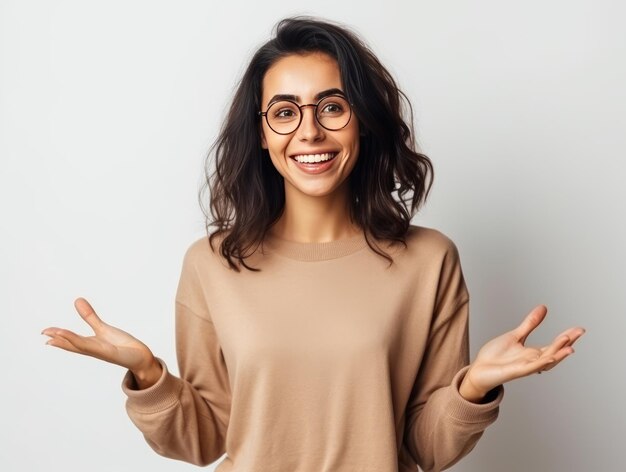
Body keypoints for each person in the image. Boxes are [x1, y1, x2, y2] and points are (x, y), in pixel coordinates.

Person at [41, 16, 586, 472]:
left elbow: (427, 447)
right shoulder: (211, 264)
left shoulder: (429, 260)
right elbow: (206, 439)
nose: (309, 132)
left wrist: (475, 389)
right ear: (260, 132)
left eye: (332, 106)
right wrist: (150, 376)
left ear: (362, 121)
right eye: (284, 111)